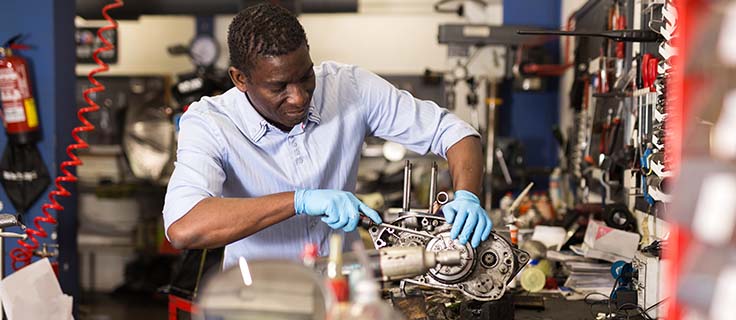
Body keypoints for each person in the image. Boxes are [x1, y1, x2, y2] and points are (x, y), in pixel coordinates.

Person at [163, 3, 492, 269]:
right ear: (240, 79)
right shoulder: (210, 123)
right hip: (261, 299)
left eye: (305, 76)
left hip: (343, 291)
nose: (299, 97)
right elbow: (184, 226)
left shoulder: (349, 88)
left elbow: (455, 132)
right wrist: (299, 201)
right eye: (279, 87)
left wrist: (467, 196)